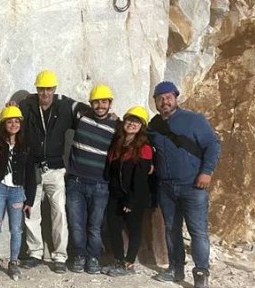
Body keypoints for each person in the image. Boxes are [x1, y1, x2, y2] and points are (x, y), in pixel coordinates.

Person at [148, 81, 221, 288]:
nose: (164, 101)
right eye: (160, 98)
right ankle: (175, 269)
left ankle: (201, 276)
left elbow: (213, 144)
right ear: (155, 102)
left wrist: (206, 171)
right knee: (171, 230)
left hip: (193, 186)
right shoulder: (154, 125)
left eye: (168, 97)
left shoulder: (193, 120)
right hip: (166, 187)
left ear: (176, 97)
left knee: (197, 232)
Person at [18, 70, 88, 274]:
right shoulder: (27, 106)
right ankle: (35, 253)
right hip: (34, 169)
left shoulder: (64, 107)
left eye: (49, 89)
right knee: (31, 212)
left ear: (54, 89)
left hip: (56, 169)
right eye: (41, 89)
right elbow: (11, 117)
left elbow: (84, 111)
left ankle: (59, 256)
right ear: (36, 90)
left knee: (59, 213)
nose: (45, 93)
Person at [66, 84, 119, 274]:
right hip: (76, 181)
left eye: (104, 102)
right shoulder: (81, 115)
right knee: (76, 223)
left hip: (100, 183)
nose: (100, 106)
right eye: (96, 102)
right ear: (91, 103)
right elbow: (56, 99)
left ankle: (93, 258)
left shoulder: (117, 125)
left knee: (95, 226)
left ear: (110, 103)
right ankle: (79, 256)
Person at [0, 106, 36, 280]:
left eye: (16, 121)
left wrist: (30, 199)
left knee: (16, 229)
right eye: (9, 121)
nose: (13, 124)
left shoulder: (26, 145)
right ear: (4, 124)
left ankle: (13, 262)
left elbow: (30, 174)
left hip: (17, 191)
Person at [104, 106, 153, 277]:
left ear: (142, 126)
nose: (132, 124)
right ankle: (119, 260)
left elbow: (141, 178)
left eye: (136, 121)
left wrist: (131, 200)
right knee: (113, 226)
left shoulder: (144, 148)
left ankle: (129, 263)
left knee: (134, 228)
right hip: (116, 194)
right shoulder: (118, 142)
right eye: (130, 120)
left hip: (134, 196)